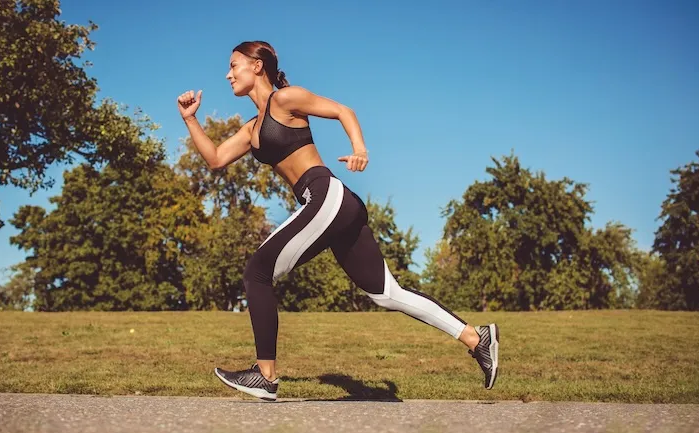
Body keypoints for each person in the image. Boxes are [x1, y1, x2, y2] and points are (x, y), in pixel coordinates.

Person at [177, 41, 499, 402]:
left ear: (257, 66)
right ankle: (478, 338)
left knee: (257, 272)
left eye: (234, 65)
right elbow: (216, 159)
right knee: (386, 294)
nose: (228, 74)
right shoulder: (251, 130)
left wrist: (360, 150)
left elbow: (344, 111)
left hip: (326, 194)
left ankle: (265, 375)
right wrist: (191, 119)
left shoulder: (286, 99)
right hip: (333, 206)